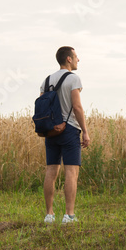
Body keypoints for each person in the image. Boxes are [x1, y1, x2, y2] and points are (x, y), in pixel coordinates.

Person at [41, 46, 91, 224]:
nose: (78, 59)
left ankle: (49, 214)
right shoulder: (73, 79)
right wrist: (85, 131)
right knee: (71, 172)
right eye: (76, 56)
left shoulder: (47, 81)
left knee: (51, 171)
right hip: (69, 130)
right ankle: (69, 215)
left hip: (51, 130)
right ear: (68, 59)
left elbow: (43, 107)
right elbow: (77, 107)